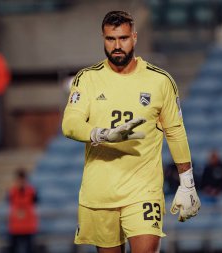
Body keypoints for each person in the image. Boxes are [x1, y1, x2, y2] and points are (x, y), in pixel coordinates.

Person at [62, 10, 201, 253]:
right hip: (100, 192)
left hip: (143, 191)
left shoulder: (160, 81)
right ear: (103, 39)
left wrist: (187, 182)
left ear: (134, 38)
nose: (117, 46)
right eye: (110, 39)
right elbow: (70, 124)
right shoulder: (87, 79)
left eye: (123, 38)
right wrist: (102, 134)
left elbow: (175, 131)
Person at [7, 168, 39, 253]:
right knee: (13, 249)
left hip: (28, 226)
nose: (20, 181)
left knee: (29, 249)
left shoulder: (32, 191)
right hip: (15, 226)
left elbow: (36, 201)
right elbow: (9, 201)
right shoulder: (12, 191)